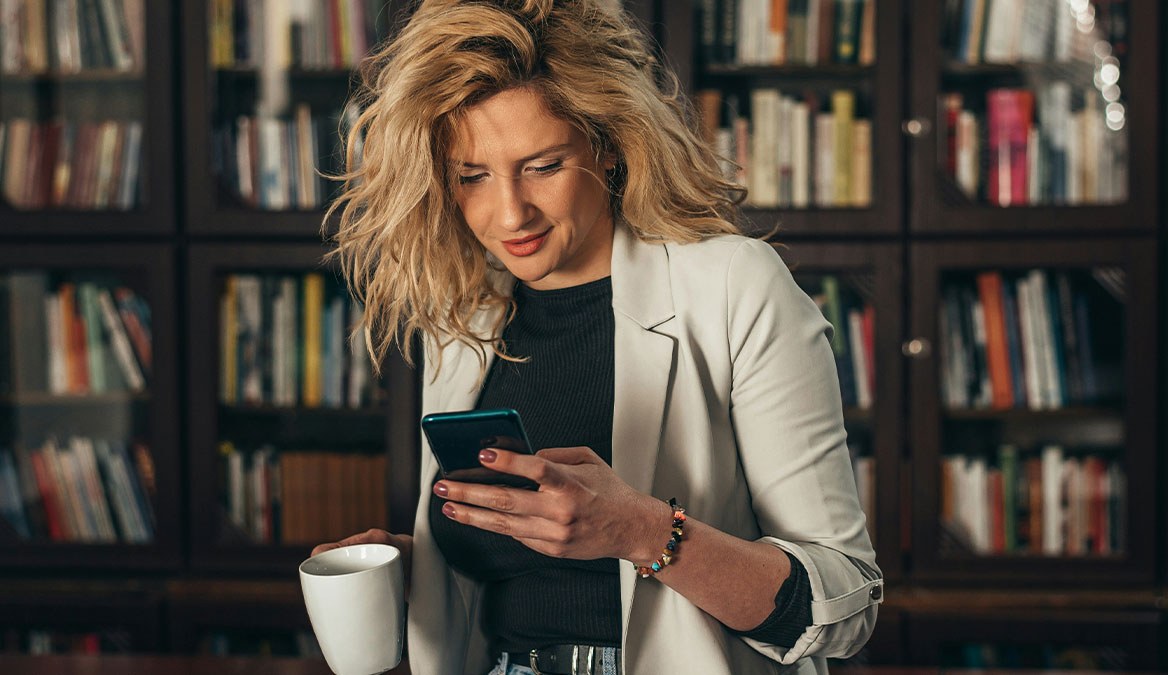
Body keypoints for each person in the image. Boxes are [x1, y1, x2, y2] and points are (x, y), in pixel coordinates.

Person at [313, 1, 883, 673]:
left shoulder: (735, 285)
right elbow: (514, 583)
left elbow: (846, 606)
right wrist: (426, 563)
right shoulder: (466, 319)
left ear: (607, 145)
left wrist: (641, 531)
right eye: (472, 176)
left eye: (544, 165)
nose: (509, 212)